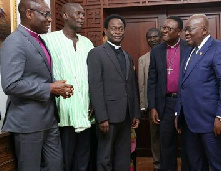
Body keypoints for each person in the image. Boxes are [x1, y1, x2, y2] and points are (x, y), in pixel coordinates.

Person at [0, 0, 74, 170]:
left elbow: (36, 76)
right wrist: (50, 88)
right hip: (28, 123)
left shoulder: (39, 40)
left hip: (49, 119)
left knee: (56, 166)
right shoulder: (14, 42)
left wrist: (56, 87)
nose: (49, 19)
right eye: (45, 14)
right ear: (29, 14)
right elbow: (11, 84)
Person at [175, 14, 221, 171]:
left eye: (190, 29)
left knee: (218, 165)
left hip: (211, 122)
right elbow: (183, 85)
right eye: (185, 30)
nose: (186, 33)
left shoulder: (219, 48)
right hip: (189, 122)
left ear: (204, 30)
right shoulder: (188, 51)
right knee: (196, 164)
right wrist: (178, 113)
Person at [42, 3, 94, 171]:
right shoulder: (49, 40)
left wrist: (93, 101)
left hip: (85, 111)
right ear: (65, 16)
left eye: (83, 14)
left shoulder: (87, 43)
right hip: (61, 113)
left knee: (83, 159)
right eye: (78, 13)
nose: (82, 17)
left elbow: (93, 76)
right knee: (63, 160)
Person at [87, 14, 140, 171]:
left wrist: (135, 113)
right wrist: (101, 117)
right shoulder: (96, 53)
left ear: (124, 31)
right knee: (105, 156)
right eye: (113, 28)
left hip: (126, 116)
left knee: (123, 155)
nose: (117, 31)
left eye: (120, 29)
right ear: (105, 31)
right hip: (108, 117)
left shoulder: (127, 56)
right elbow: (95, 87)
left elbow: (132, 86)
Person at [148, 16, 191, 171]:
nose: (164, 31)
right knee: (166, 145)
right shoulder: (156, 51)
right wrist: (153, 106)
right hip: (165, 104)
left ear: (179, 31)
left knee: (188, 144)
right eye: (163, 28)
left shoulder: (189, 47)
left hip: (185, 103)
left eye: (169, 29)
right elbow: (152, 80)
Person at [138, 28, 162, 170]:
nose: (152, 40)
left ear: (161, 37)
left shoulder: (168, 54)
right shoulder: (143, 60)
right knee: (155, 138)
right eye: (149, 37)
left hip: (169, 104)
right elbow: (141, 84)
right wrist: (143, 106)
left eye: (155, 37)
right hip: (151, 106)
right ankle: (157, 164)